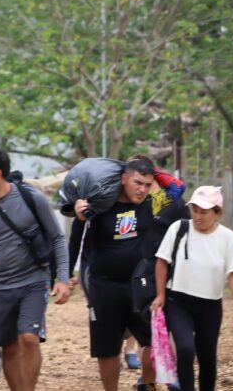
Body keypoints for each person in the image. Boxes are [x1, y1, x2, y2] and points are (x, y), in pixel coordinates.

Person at [0, 147, 70, 391]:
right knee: (9, 346)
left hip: (33, 280)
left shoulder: (32, 199)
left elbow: (57, 238)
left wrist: (63, 277)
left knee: (29, 339)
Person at [74, 155, 158, 391]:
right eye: (137, 182)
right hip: (104, 286)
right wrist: (64, 274)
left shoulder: (152, 203)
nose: (142, 190)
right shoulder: (100, 204)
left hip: (141, 286)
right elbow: (75, 236)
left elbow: (176, 191)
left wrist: (155, 175)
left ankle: (148, 385)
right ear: (123, 179)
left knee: (155, 341)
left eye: (147, 184)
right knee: (107, 349)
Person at [151, 186, 233, 391]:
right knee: (185, 349)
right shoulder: (179, 228)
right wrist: (160, 294)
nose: (198, 216)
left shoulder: (227, 237)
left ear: (217, 212)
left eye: (204, 212)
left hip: (210, 305)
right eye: (195, 210)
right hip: (178, 301)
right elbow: (161, 261)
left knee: (207, 357)